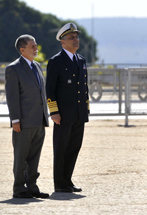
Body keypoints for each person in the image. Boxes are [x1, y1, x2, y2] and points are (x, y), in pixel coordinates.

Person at [46, 23, 89, 193]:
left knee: (74, 147)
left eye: (77, 37)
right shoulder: (56, 61)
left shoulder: (81, 60)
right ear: (62, 42)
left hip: (79, 113)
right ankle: (59, 183)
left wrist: (86, 110)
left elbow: (84, 88)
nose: (76, 40)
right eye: (71, 38)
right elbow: (50, 89)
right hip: (63, 114)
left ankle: (67, 180)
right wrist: (54, 112)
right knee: (61, 148)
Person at [5, 35, 49, 198]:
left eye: (36, 44)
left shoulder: (37, 66)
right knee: (21, 157)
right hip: (23, 122)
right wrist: (15, 119)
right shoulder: (13, 68)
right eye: (33, 46)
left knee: (34, 157)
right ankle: (19, 188)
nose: (36, 47)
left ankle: (32, 187)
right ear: (22, 49)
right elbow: (12, 96)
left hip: (39, 120)